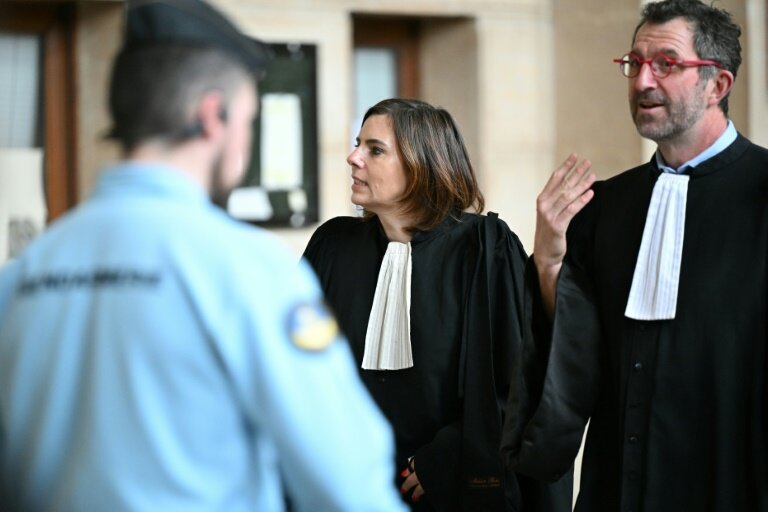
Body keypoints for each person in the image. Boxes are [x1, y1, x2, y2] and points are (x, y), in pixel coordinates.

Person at [0, 1, 407, 511]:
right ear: (213, 115)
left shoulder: (24, 277)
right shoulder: (251, 273)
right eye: (248, 120)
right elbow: (349, 484)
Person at [501, 0, 768, 511]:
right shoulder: (606, 206)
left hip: (734, 480)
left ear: (719, 85)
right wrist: (550, 261)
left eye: (666, 64)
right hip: (619, 482)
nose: (643, 81)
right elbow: (579, 352)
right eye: (634, 63)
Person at [303, 98, 572, 512]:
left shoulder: (484, 248)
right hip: (345, 487)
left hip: (445, 489)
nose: (353, 158)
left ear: (420, 164)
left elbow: (516, 377)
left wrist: (446, 460)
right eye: (359, 144)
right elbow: (300, 364)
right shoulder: (333, 246)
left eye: (374, 149)